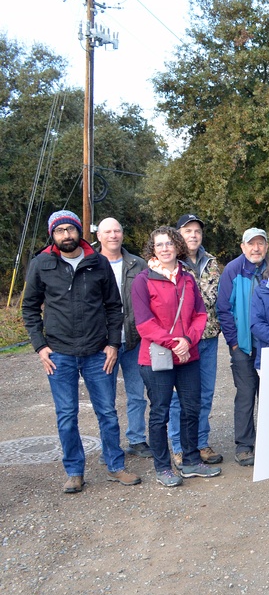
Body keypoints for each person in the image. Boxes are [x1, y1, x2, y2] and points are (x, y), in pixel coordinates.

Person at [22, 210, 140, 492]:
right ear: (53, 234)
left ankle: (115, 466)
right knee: (66, 415)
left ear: (80, 232)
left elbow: (114, 307)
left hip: (97, 351)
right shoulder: (41, 264)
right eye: (60, 230)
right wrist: (40, 346)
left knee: (107, 413)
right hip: (59, 353)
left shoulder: (97, 263)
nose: (66, 235)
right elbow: (29, 308)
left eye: (70, 229)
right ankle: (74, 471)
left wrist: (113, 344)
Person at [132, 226, 221, 486]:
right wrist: (174, 343)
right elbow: (144, 323)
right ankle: (163, 467)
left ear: (177, 247)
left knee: (191, 409)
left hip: (188, 355)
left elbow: (201, 314)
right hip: (157, 357)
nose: (165, 248)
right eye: (159, 245)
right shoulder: (143, 280)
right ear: (153, 249)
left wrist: (188, 340)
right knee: (160, 413)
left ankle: (191, 461)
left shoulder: (187, 278)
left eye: (169, 244)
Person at [167, 213, 223, 468]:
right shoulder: (168, 263)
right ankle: (179, 447)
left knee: (205, 394)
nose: (193, 235)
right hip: (181, 341)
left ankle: (201, 443)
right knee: (180, 396)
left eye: (197, 231)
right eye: (187, 230)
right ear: (178, 234)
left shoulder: (211, 263)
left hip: (208, 337)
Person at [97, 218, 149, 459]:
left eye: (117, 230)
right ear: (99, 236)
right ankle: (110, 446)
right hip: (102, 343)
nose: (113, 235)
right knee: (105, 400)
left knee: (137, 394)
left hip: (134, 340)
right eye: (107, 231)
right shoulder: (90, 264)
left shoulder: (137, 264)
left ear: (122, 234)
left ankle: (137, 439)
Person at [217, 227, 267, 466]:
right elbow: (224, 309)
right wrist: (234, 343)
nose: (256, 248)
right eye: (251, 244)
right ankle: (245, 445)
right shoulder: (232, 270)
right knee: (246, 395)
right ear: (243, 247)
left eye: (260, 243)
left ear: (266, 246)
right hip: (244, 347)